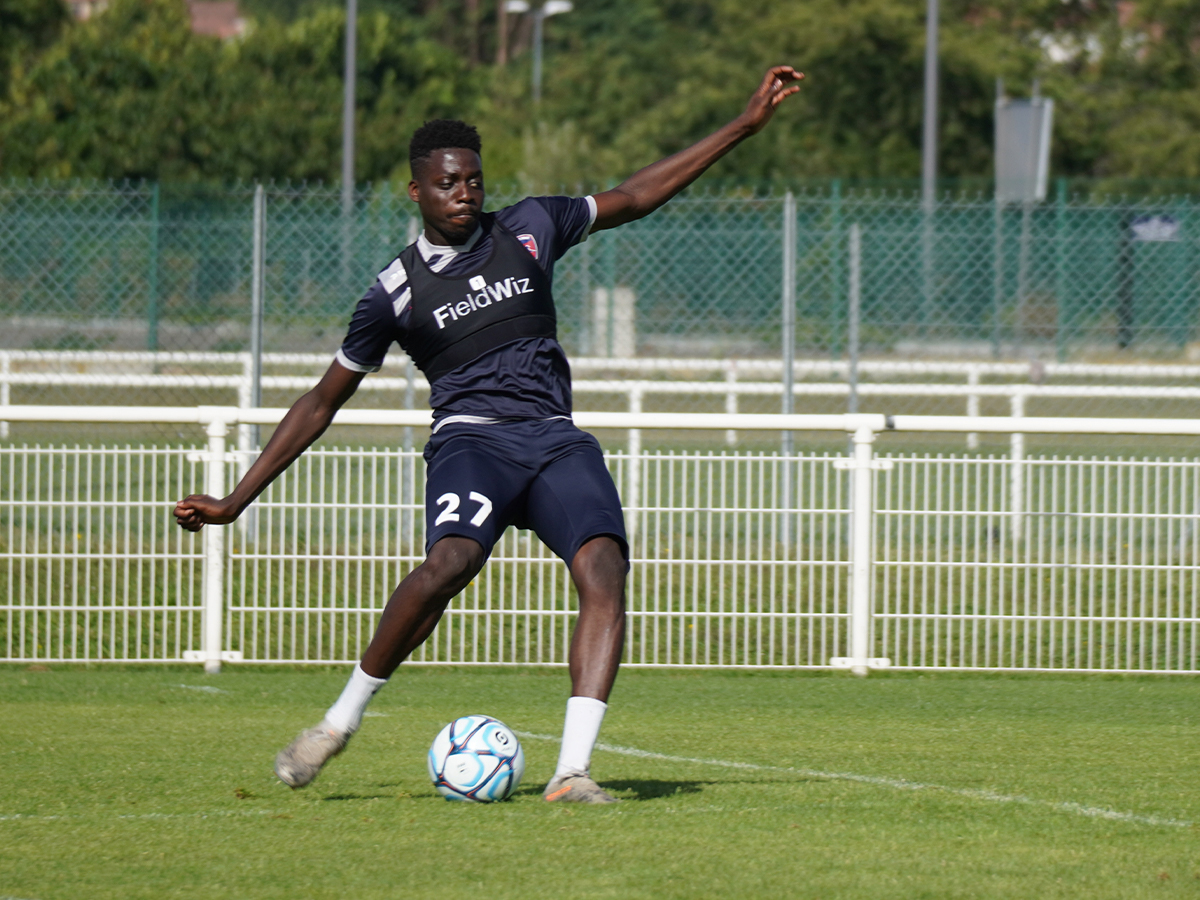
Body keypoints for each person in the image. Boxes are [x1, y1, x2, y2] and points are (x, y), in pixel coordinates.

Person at [174, 65, 803, 804]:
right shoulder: (394, 293)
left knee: (604, 570)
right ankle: (336, 725)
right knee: (449, 565)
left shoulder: (531, 226)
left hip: (555, 439)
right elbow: (322, 399)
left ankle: (570, 773)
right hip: (473, 443)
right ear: (417, 191)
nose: (464, 192)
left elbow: (634, 195)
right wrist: (235, 499)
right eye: (447, 182)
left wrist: (741, 126)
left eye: (473, 179)